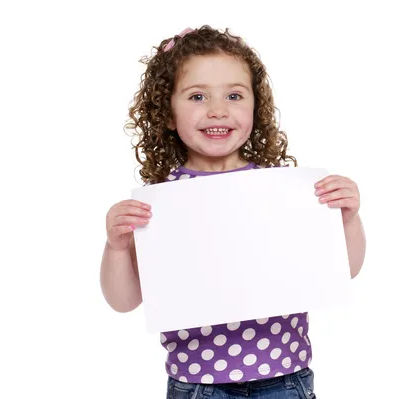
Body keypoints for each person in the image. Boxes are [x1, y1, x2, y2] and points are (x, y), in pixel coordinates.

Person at [100, 25, 366, 398]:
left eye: (234, 95)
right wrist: (116, 246)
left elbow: (342, 271)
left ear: (255, 107)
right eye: (197, 96)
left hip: (285, 379)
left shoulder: (284, 191)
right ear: (168, 114)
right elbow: (123, 301)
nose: (218, 110)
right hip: (198, 386)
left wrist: (348, 220)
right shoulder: (158, 206)